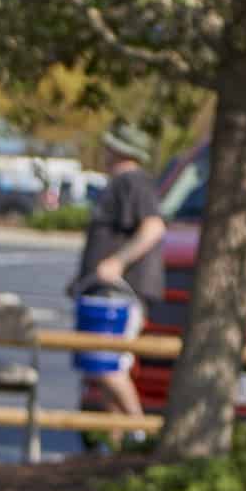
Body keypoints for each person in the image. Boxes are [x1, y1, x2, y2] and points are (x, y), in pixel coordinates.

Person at [69, 122, 168, 430]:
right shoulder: (117, 184)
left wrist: (118, 262)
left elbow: (153, 227)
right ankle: (115, 442)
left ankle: (139, 431)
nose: (105, 152)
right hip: (99, 292)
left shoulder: (134, 182)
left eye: (110, 147)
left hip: (119, 295)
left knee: (107, 366)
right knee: (97, 371)